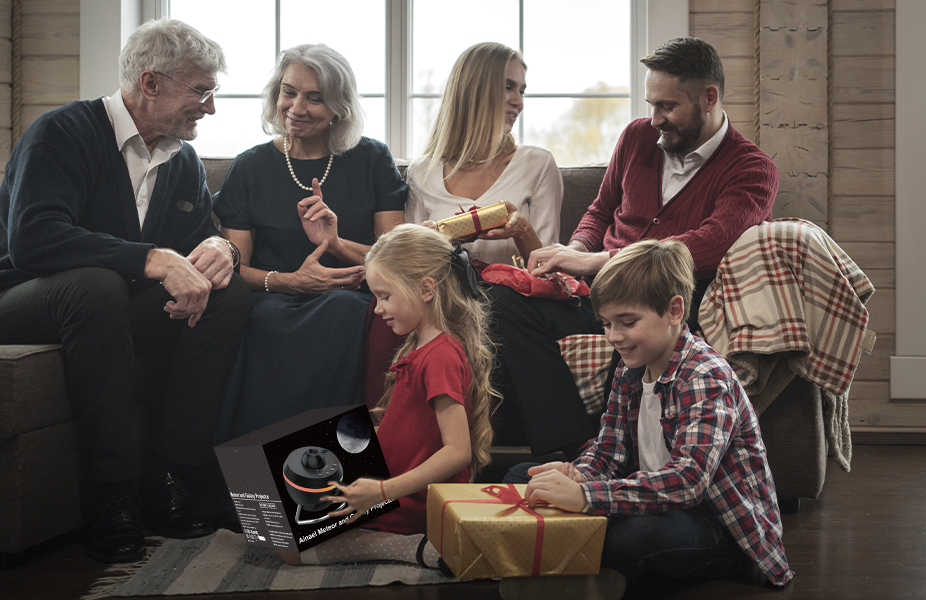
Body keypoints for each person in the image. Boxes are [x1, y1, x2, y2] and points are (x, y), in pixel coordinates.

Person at [0, 19, 250, 563]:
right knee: (95, 285)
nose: (209, 108)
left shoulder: (181, 159)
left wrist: (221, 252)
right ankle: (112, 495)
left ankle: (168, 473)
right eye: (201, 91)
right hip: (23, 299)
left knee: (227, 294)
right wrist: (152, 258)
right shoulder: (60, 132)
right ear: (150, 83)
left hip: (110, 304)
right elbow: (34, 240)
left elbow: (194, 238)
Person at [486, 37, 778, 456]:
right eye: (650, 104)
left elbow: (711, 244)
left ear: (708, 98)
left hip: (667, 300)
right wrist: (574, 254)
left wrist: (598, 260)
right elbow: (599, 211)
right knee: (501, 303)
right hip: (595, 294)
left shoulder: (752, 169)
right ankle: (568, 448)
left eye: (667, 106)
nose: (655, 118)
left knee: (641, 330)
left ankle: (602, 461)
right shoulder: (637, 137)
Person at [501, 240, 791, 599]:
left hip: (717, 527)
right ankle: (587, 570)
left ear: (673, 311)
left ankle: (576, 569)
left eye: (627, 322)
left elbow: (689, 482)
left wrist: (586, 496)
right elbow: (607, 451)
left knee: (635, 538)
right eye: (606, 324)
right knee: (522, 477)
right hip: (652, 501)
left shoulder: (705, 376)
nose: (614, 337)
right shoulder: (630, 369)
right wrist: (577, 474)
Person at [212, 44, 408, 441]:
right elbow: (235, 269)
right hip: (274, 298)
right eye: (289, 92)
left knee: (342, 311)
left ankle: (325, 481)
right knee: (265, 321)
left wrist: (336, 244)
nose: (296, 107)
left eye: (315, 98)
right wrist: (290, 281)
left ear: (340, 106)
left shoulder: (372, 159)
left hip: (351, 297)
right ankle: (260, 486)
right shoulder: (250, 166)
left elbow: (397, 259)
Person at [278, 224, 494, 566]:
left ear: (426, 289)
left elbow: (458, 452)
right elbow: (407, 430)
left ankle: (407, 546)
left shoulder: (440, 356)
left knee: (288, 548)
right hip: (390, 482)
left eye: (385, 296)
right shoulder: (423, 347)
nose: (378, 308)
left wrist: (381, 492)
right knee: (278, 516)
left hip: (411, 498)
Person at [406, 42, 563, 265]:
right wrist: (428, 245)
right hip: (443, 296)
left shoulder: (538, 164)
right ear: (474, 91)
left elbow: (551, 270)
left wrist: (522, 231)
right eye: (508, 87)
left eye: (522, 91)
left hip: (514, 296)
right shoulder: (422, 172)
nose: (519, 102)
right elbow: (410, 269)